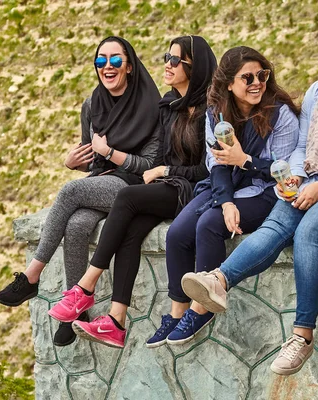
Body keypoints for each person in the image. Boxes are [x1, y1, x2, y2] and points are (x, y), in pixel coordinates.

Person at [181, 22, 318, 375]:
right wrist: (295, 177)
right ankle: (218, 281)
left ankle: (302, 336)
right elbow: (302, 147)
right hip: (316, 178)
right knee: (277, 223)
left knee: (311, 229)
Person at [44, 36, 217, 349]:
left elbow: (208, 169)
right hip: (165, 186)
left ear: (195, 67)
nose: (167, 63)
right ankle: (115, 321)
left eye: (175, 60)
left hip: (192, 189)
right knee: (131, 232)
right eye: (168, 56)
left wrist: (166, 172)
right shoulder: (169, 106)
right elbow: (158, 156)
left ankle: (85, 287)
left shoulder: (210, 112)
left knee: (126, 198)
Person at [0, 37, 161, 345]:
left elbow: (150, 163)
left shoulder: (151, 105)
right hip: (102, 181)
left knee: (70, 192)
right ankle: (76, 313)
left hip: (134, 185)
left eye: (114, 60)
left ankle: (31, 276)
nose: (107, 67)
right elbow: (93, 160)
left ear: (129, 66)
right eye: (101, 61)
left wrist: (109, 152)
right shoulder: (92, 104)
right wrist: (73, 162)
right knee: (77, 223)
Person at [145, 46, 300, 347]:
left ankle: (201, 309)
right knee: (177, 233)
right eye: (248, 77)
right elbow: (215, 163)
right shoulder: (215, 111)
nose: (257, 82)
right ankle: (177, 314)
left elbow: (284, 172)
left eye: (262, 75)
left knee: (210, 224)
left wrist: (244, 160)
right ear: (229, 83)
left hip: (265, 191)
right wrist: (227, 200)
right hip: (225, 187)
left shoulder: (281, 115)